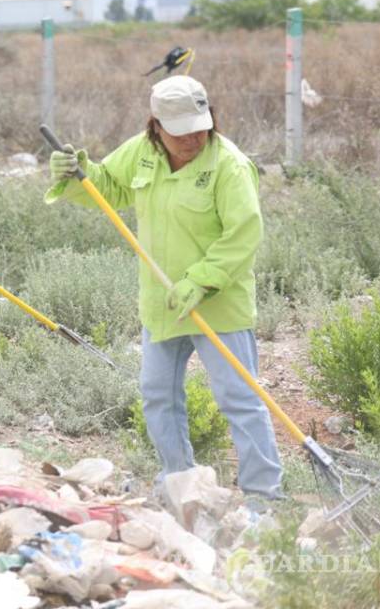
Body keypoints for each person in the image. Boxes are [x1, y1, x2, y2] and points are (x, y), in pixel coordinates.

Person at [45, 75, 283, 502]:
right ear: (155, 126)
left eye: (200, 126)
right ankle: (179, 483)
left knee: (239, 399)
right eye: (181, 132)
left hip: (219, 303)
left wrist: (201, 280)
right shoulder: (142, 152)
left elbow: (244, 234)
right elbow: (110, 187)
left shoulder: (229, 165)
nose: (193, 138)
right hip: (161, 302)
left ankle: (264, 496)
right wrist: (77, 175)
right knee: (157, 395)